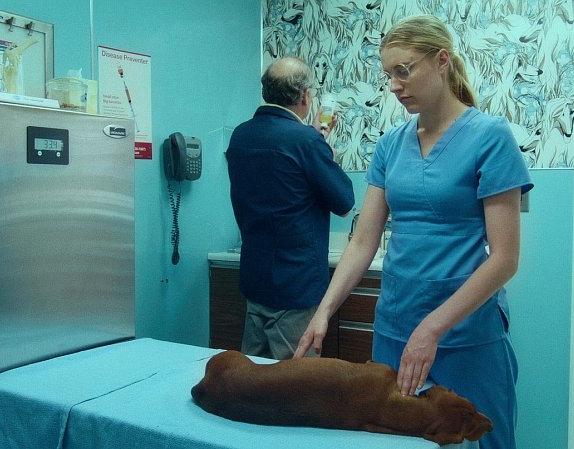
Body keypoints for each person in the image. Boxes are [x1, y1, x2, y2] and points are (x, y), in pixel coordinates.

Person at [293, 15, 533, 449]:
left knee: (483, 439)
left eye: (403, 71)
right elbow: (363, 241)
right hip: (396, 325)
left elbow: (505, 259)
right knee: (394, 441)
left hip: (466, 332)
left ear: (442, 60)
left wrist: (431, 330)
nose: (394, 85)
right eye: (389, 74)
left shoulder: (490, 137)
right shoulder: (390, 145)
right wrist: (325, 309)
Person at [226, 57, 355, 360]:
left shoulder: (241, 135)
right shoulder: (306, 141)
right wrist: (322, 146)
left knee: (253, 378)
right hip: (296, 287)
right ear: (305, 96)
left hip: (255, 282)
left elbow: (282, 180)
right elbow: (345, 203)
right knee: (297, 382)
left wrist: (315, 139)